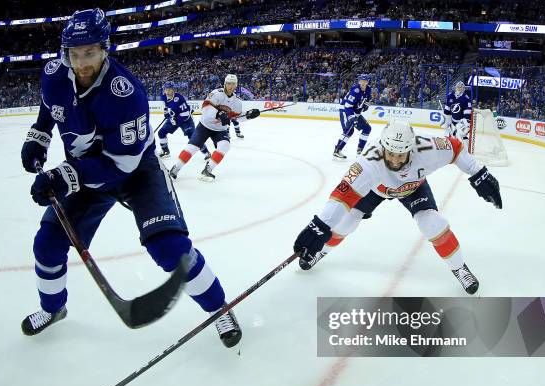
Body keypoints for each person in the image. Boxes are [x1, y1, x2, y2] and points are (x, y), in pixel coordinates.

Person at [19, 8, 241, 347]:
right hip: (84, 175)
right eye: (75, 54)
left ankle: (218, 308)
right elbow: (50, 108)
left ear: (105, 48)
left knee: (170, 249)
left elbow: (121, 164)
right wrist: (38, 136)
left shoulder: (124, 93)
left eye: (90, 52)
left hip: (136, 170)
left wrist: (65, 175)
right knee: (47, 245)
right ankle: (53, 309)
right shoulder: (53, 74)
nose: (82, 62)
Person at [294, 120, 503, 295]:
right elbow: (341, 195)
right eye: (390, 153)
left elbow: (456, 148)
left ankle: (459, 268)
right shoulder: (368, 162)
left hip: (413, 188)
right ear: (382, 147)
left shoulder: (428, 147)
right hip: (375, 188)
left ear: (412, 149)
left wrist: (478, 173)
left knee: (432, 223)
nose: (395, 160)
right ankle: (321, 251)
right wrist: (319, 226)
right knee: (346, 221)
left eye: (401, 155)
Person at [169, 74, 260, 182]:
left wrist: (248, 115)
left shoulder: (237, 102)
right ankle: (176, 168)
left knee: (225, 145)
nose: (231, 86)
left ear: (236, 85)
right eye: (229, 83)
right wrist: (219, 114)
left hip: (220, 129)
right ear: (225, 84)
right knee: (192, 147)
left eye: (233, 84)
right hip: (205, 126)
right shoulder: (216, 93)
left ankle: (208, 169)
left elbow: (236, 117)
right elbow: (205, 107)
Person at [157, 81, 212, 160]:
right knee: (161, 132)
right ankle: (165, 151)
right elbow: (165, 106)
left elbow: (186, 113)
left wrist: (176, 120)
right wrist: (166, 113)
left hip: (186, 120)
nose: (167, 91)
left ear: (173, 90)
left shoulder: (179, 98)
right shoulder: (163, 97)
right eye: (166, 89)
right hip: (174, 118)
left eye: (169, 89)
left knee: (193, 137)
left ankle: (206, 152)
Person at [333, 73, 373, 160]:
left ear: (367, 82)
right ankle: (337, 150)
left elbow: (367, 100)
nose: (362, 82)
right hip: (345, 110)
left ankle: (360, 151)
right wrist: (351, 118)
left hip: (355, 112)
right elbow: (348, 105)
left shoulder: (369, 89)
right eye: (361, 80)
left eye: (364, 81)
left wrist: (366, 105)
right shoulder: (355, 91)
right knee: (349, 131)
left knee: (367, 129)